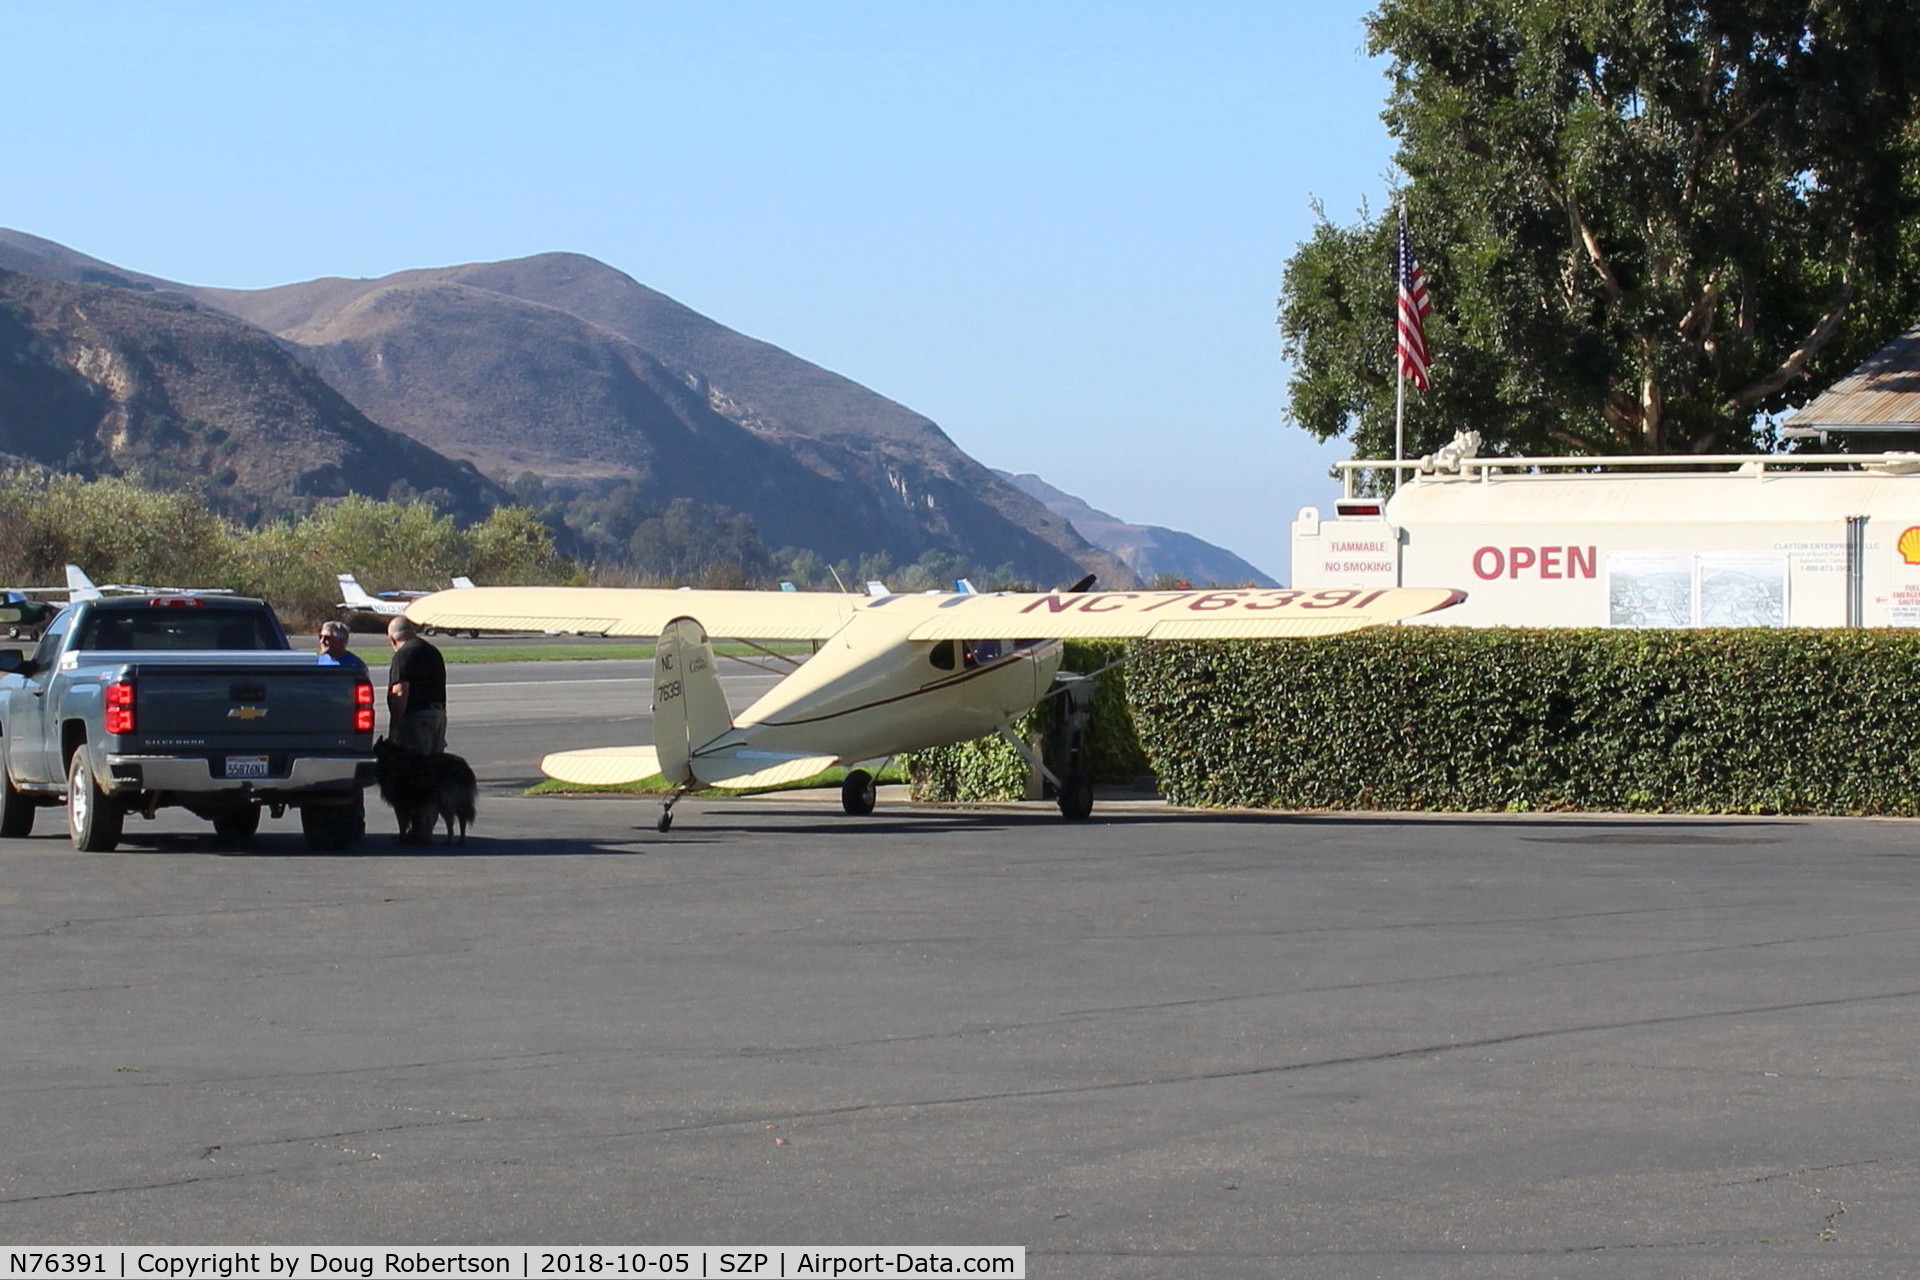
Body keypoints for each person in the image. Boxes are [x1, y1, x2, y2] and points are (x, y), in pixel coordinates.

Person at [386, 617, 448, 754]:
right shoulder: (433, 651)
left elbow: (400, 692)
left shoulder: (403, 655)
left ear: (392, 639)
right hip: (438, 716)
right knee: (433, 765)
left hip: (417, 719)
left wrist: (395, 726)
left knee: (416, 765)